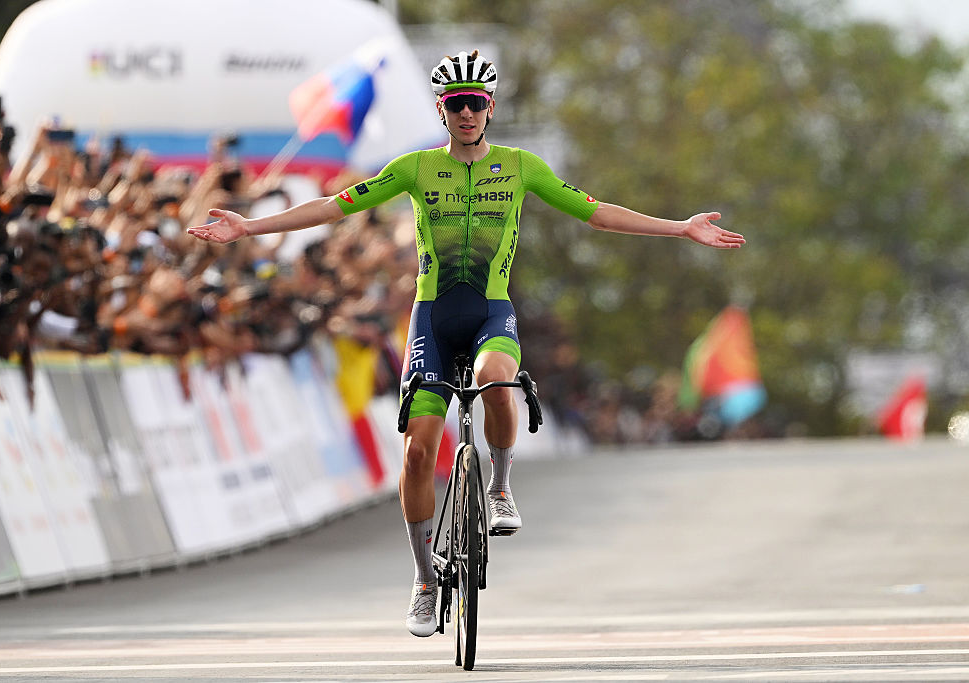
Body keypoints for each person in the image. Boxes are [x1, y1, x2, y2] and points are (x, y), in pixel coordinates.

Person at [187, 49, 745, 637]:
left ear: (491, 107)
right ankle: (426, 579)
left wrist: (678, 227)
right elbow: (333, 205)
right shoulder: (414, 169)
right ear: (442, 111)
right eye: (456, 104)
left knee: (496, 379)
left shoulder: (521, 166)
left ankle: (501, 487)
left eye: (477, 103)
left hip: (489, 312)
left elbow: (596, 214)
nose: (467, 113)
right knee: (418, 452)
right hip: (431, 318)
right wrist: (250, 226)